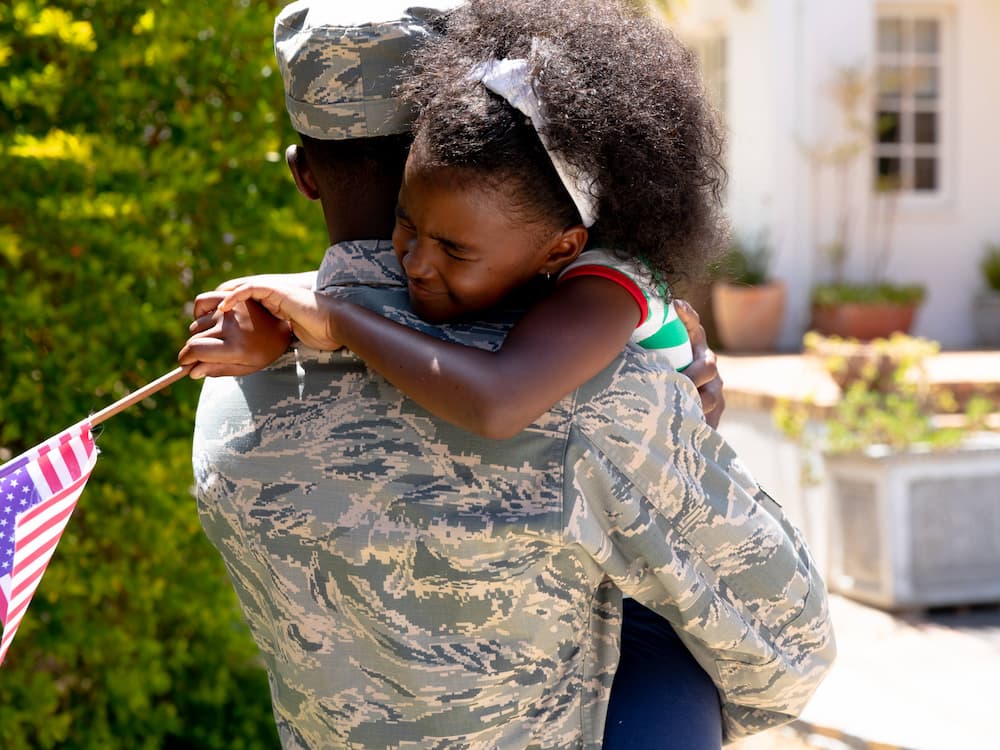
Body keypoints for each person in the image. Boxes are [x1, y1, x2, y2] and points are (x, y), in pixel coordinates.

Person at [185, 2, 834, 748]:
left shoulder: (232, 383)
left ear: (304, 174)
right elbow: (789, 648)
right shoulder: (591, 397)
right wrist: (672, 420)